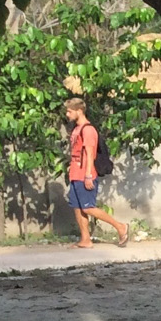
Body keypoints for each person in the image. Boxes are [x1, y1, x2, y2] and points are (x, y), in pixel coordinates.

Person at [65, 98, 130, 248]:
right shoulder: (76, 129)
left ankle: (120, 227)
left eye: (70, 111)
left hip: (85, 174)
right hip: (75, 174)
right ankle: (85, 239)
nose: (67, 114)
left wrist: (88, 175)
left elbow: (90, 154)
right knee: (77, 206)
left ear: (79, 111)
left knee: (88, 207)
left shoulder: (88, 130)